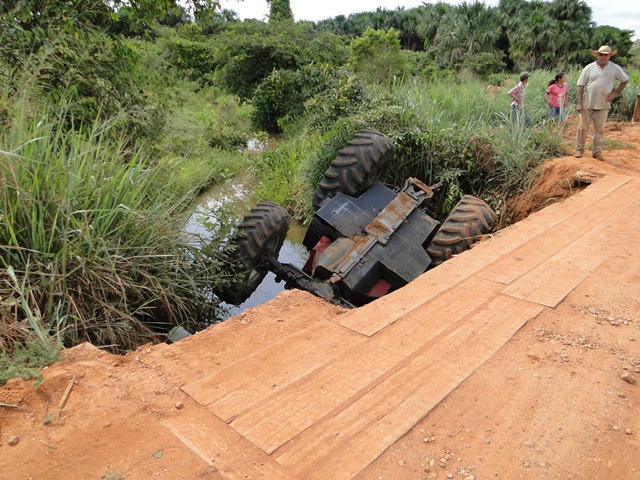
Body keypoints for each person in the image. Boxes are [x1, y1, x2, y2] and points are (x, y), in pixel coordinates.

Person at [575, 45, 629, 160]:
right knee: (582, 128)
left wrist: (615, 93)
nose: (603, 57)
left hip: (603, 104)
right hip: (587, 104)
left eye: (605, 55)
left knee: (599, 130)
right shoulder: (589, 68)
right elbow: (580, 86)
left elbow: (625, 80)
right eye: (601, 54)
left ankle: (597, 152)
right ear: (597, 55)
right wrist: (579, 103)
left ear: (609, 56)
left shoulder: (615, 68)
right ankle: (579, 150)